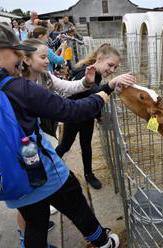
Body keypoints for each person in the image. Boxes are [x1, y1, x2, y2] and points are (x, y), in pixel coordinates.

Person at [0, 23, 132, 248]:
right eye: (15, 50)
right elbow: (71, 110)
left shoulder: (39, 80)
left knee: (36, 221)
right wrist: (104, 93)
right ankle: (103, 242)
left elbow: (68, 87)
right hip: (38, 169)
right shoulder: (17, 87)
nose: (19, 56)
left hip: (11, 180)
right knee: (75, 201)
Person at [16, 37, 99, 248]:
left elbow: (68, 87)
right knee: (31, 197)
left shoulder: (44, 77)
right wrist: (101, 96)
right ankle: (27, 238)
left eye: (47, 56)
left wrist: (87, 81)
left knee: (32, 201)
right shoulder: (17, 85)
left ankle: (31, 238)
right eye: (43, 57)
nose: (48, 60)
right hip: (23, 147)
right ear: (25, 59)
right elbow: (65, 108)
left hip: (36, 139)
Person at [56, 43, 135, 189]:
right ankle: (49, 169)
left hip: (86, 115)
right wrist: (111, 84)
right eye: (110, 65)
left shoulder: (97, 74)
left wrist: (98, 115)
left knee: (86, 145)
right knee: (65, 145)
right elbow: (94, 92)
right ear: (99, 58)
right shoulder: (84, 73)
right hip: (73, 117)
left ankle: (88, 174)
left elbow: (95, 97)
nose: (112, 70)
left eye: (115, 68)